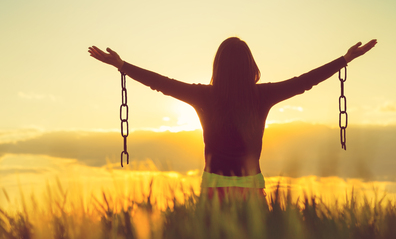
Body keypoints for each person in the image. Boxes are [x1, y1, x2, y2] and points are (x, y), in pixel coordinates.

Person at [88, 37, 377, 201]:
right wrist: (344, 59)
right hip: (252, 191)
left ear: (218, 66)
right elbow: (305, 81)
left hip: (212, 192)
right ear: (250, 66)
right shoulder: (261, 96)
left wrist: (122, 66)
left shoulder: (204, 96)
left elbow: (161, 82)